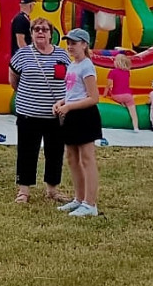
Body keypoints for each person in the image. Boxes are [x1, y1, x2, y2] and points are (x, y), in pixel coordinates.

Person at [8, 17, 71, 204]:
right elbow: (13, 79)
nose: (40, 32)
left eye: (44, 29)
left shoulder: (62, 55)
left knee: (55, 152)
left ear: (51, 33)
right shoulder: (22, 55)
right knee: (27, 152)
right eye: (36, 29)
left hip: (56, 116)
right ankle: (23, 192)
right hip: (29, 114)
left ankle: (52, 190)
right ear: (31, 33)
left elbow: (70, 82)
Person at [54, 28, 102, 217]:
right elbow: (73, 92)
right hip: (72, 113)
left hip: (85, 115)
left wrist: (70, 107)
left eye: (74, 43)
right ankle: (79, 199)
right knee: (72, 158)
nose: (70, 46)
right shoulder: (73, 65)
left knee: (87, 158)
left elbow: (93, 97)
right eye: (69, 43)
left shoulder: (87, 66)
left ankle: (90, 204)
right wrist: (61, 102)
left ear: (84, 44)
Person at [105, 54, 138, 132]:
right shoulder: (127, 72)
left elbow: (108, 85)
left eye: (115, 60)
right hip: (128, 96)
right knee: (133, 112)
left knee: (111, 90)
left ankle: (122, 103)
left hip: (117, 95)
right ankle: (136, 127)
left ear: (117, 63)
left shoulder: (112, 72)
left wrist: (105, 94)